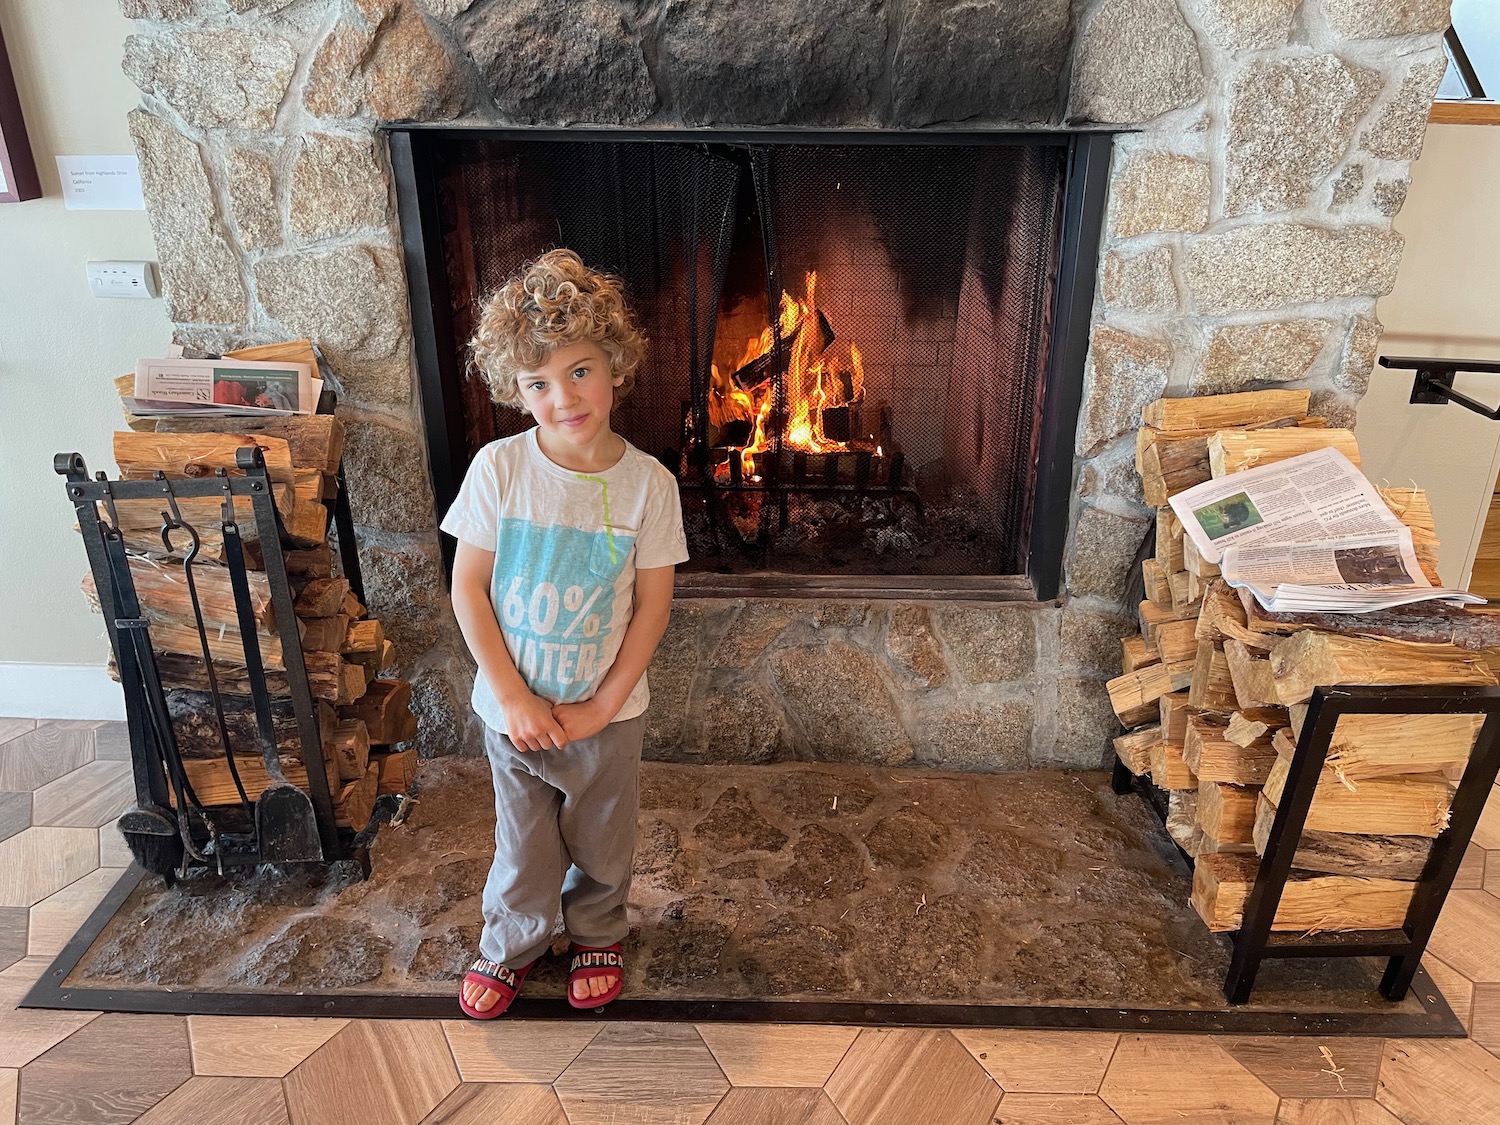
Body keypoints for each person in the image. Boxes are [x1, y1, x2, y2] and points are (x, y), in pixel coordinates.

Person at [440, 249, 687, 1019]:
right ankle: (513, 940)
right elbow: (468, 586)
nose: (563, 397)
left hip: (606, 716)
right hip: (514, 713)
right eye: (538, 383)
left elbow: (651, 606)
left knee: (603, 838)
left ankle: (597, 931)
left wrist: (605, 702)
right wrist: (511, 695)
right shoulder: (498, 470)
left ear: (614, 365)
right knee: (523, 842)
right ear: (516, 391)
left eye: (579, 371)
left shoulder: (649, 484)